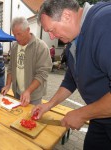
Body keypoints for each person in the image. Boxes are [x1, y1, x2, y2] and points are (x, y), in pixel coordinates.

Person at [32, 0, 111, 149]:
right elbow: (71, 80)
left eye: (52, 30)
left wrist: (82, 114)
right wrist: (48, 105)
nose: (52, 36)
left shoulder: (105, 22)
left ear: (67, 16)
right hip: (100, 117)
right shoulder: (73, 43)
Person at [1, 17, 52, 106]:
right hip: (17, 92)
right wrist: (8, 85)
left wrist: (28, 91)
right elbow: (11, 67)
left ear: (28, 30)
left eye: (19, 34)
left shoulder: (41, 47)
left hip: (33, 95)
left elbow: (42, 73)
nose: (16, 38)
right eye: (14, 35)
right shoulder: (14, 46)